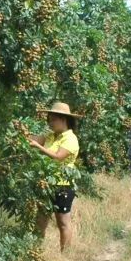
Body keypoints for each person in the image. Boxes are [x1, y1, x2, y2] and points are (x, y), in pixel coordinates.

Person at [26, 101, 81, 251]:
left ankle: (66, 254)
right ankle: (35, 252)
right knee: (40, 220)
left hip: (63, 185)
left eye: (53, 119)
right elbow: (31, 139)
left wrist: (38, 147)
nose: (50, 123)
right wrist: (22, 132)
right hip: (46, 184)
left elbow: (57, 157)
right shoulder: (49, 135)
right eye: (49, 119)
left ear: (63, 119)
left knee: (62, 222)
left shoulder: (71, 139)